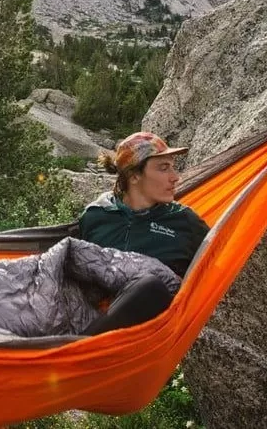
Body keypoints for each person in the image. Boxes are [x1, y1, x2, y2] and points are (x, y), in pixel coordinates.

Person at [78, 131, 209, 335]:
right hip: (93, 317)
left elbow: (215, 268)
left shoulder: (185, 222)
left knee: (151, 285)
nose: (175, 177)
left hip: (149, 336)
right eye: (164, 168)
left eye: (173, 168)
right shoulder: (96, 215)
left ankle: (78, 347)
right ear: (134, 175)